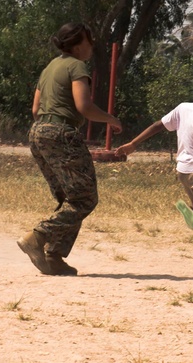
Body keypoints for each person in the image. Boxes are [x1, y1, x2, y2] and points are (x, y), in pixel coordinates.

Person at [18, 22, 122, 276]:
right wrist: (110, 119)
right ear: (77, 45)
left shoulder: (50, 67)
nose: (92, 45)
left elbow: (35, 109)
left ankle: (53, 257)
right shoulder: (77, 66)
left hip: (38, 132)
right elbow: (83, 106)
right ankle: (38, 236)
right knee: (85, 199)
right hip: (61, 133)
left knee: (69, 199)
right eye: (88, 40)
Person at [115, 74, 193, 262]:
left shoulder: (183, 108)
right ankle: (191, 211)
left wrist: (134, 143)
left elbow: (157, 126)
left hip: (183, 171)